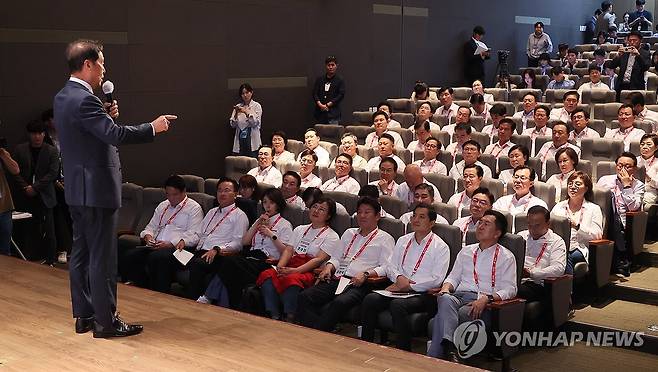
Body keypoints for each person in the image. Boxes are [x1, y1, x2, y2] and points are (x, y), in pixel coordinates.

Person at [53, 39, 174, 337]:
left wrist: (105, 116)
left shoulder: (62, 97)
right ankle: (106, 322)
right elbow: (115, 135)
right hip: (97, 189)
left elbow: (90, 135)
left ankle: (84, 316)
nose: (105, 70)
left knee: (80, 253)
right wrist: (152, 127)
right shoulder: (86, 99)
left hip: (77, 190)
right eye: (102, 63)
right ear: (88, 65)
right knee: (103, 257)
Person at [427, 210, 517, 361]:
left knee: (449, 317)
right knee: (445, 299)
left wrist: (487, 298)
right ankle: (449, 348)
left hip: (484, 303)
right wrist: (445, 288)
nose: (480, 226)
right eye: (480, 222)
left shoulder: (506, 257)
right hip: (458, 296)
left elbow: (511, 289)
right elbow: (453, 277)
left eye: (486, 224)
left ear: (497, 233)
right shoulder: (466, 251)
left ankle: (437, 352)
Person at [296, 196, 395, 332]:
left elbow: (386, 267)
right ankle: (317, 330)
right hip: (339, 278)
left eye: (367, 212)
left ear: (377, 216)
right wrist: (329, 267)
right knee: (305, 296)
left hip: (360, 283)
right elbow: (337, 257)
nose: (362, 216)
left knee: (339, 302)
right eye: (359, 212)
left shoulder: (385, 238)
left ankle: (317, 333)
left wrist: (366, 274)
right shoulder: (349, 233)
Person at [361, 203, 450, 351]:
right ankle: (366, 344)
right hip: (398, 287)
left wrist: (409, 286)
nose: (416, 220)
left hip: (422, 293)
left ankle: (403, 350)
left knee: (398, 305)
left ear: (432, 223)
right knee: (371, 299)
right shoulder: (403, 240)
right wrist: (399, 278)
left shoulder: (440, 247)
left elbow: (437, 279)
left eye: (422, 217)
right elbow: (391, 266)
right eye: (414, 216)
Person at [257, 197, 340, 321]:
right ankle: (273, 314)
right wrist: (280, 266)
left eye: (321, 209)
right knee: (268, 275)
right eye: (314, 207)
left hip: (309, 270)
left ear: (328, 216)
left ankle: (290, 316)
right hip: (291, 264)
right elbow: (289, 250)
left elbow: (318, 259)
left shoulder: (332, 236)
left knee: (292, 279)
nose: (316, 211)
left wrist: (295, 271)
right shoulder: (300, 229)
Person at [124, 175, 204, 292]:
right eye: (168, 194)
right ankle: (142, 289)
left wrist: (171, 244)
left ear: (184, 192)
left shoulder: (194, 208)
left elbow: (195, 236)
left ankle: (159, 293)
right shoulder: (163, 206)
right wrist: (148, 236)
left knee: (157, 258)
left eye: (175, 194)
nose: (171, 198)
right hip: (157, 246)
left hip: (181, 250)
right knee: (131, 255)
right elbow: (150, 227)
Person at [217, 188, 294, 308]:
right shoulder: (260, 220)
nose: (267, 206)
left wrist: (271, 234)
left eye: (271, 203)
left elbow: (286, 251)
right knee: (227, 262)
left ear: (278, 204)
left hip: (268, 261)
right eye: (264, 202)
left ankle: (227, 301)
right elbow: (245, 242)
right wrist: (258, 223)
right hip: (252, 256)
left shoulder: (285, 224)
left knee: (231, 263)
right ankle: (233, 303)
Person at [179, 178, 249, 302]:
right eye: (220, 191)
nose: (222, 194)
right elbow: (198, 234)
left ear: (236, 194)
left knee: (197, 263)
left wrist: (217, 249)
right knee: (166, 257)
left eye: (227, 191)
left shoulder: (240, 216)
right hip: (200, 251)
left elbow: (237, 244)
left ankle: (191, 301)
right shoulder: (212, 212)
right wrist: (185, 241)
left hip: (218, 255)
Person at [12, 121, 60, 265]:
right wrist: (26, 187)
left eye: (40, 133)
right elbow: (14, 172)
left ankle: (51, 259)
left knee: (49, 229)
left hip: (45, 194)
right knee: (27, 228)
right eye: (34, 133)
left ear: (44, 134)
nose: (37, 137)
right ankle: (28, 256)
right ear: (29, 134)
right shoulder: (20, 150)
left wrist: (35, 187)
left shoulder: (51, 150)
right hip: (25, 194)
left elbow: (53, 173)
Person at [596, 152, 645, 276]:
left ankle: (620, 260)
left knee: (615, 217)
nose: (623, 169)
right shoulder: (604, 179)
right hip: (602, 217)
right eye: (620, 165)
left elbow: (634, 207)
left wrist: (627, 185)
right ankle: (620, 260)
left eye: (627, 166)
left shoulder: (638, 185)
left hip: (623, 221)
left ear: (634, 168)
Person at [551, 172, 603, 275]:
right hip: (558, 245)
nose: (573, 187)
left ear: (586, 188)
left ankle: (566, 288)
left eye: (578, 184)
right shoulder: (559, 207)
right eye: (570, 184)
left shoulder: (593, 209)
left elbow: (598, 235)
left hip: (580, 247)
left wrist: (578, 227)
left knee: (565, 256)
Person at [516, 206, 567, 303]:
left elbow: (558, 268)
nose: (532, 229)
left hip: (537, 284)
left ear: (548, 224)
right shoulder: (520, 236)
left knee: (515, 290)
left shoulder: (556, 241)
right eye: (530, 225)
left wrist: (531, 274)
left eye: (537, 225)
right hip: (516, 279)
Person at [608, 31, 651, 98]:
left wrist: (638, 55)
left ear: (640, 41)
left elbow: (646, 67)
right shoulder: (625, 52)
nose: (632, 42)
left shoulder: (645, 53)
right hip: (621, 85)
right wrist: (618, 55)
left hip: (636, 86)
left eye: (634, 40)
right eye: (630, 40)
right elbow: (612, 65)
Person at [229, 83, 262, 158]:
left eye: (247, 92)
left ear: (251, 92)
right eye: (243, 93)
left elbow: (255, 123)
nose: (245, 95)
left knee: (253, 164)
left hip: (252, 140)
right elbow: (232, 125)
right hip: (240, 139)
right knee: (240, 164)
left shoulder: (257, 106)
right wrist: (236, 113)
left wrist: (246, 112)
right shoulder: (238, 106)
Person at [313, 56, 345, 124]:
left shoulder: (340, 80)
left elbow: (340, 95)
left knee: (334, 133)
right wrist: (321, 105)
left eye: (332, 65)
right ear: (326, 66)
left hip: (333, 114)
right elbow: (315, 93)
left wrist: (327, 105)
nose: (330, 67)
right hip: (320, 114)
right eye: (328, 65)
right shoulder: (320, 79)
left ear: (336, 66)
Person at [0, 145, 19, 256]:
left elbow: (15, 170)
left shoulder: (2, 153)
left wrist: (3, 155)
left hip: (4, 206)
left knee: (5, 249)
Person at [638, 134, 658, 206]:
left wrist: (648, 177)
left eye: (649, 144)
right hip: (632, 189)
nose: (644, 147)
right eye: (642, 144)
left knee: (645, 200)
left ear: (656, 147)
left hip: (649, 192)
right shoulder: (634, 161)